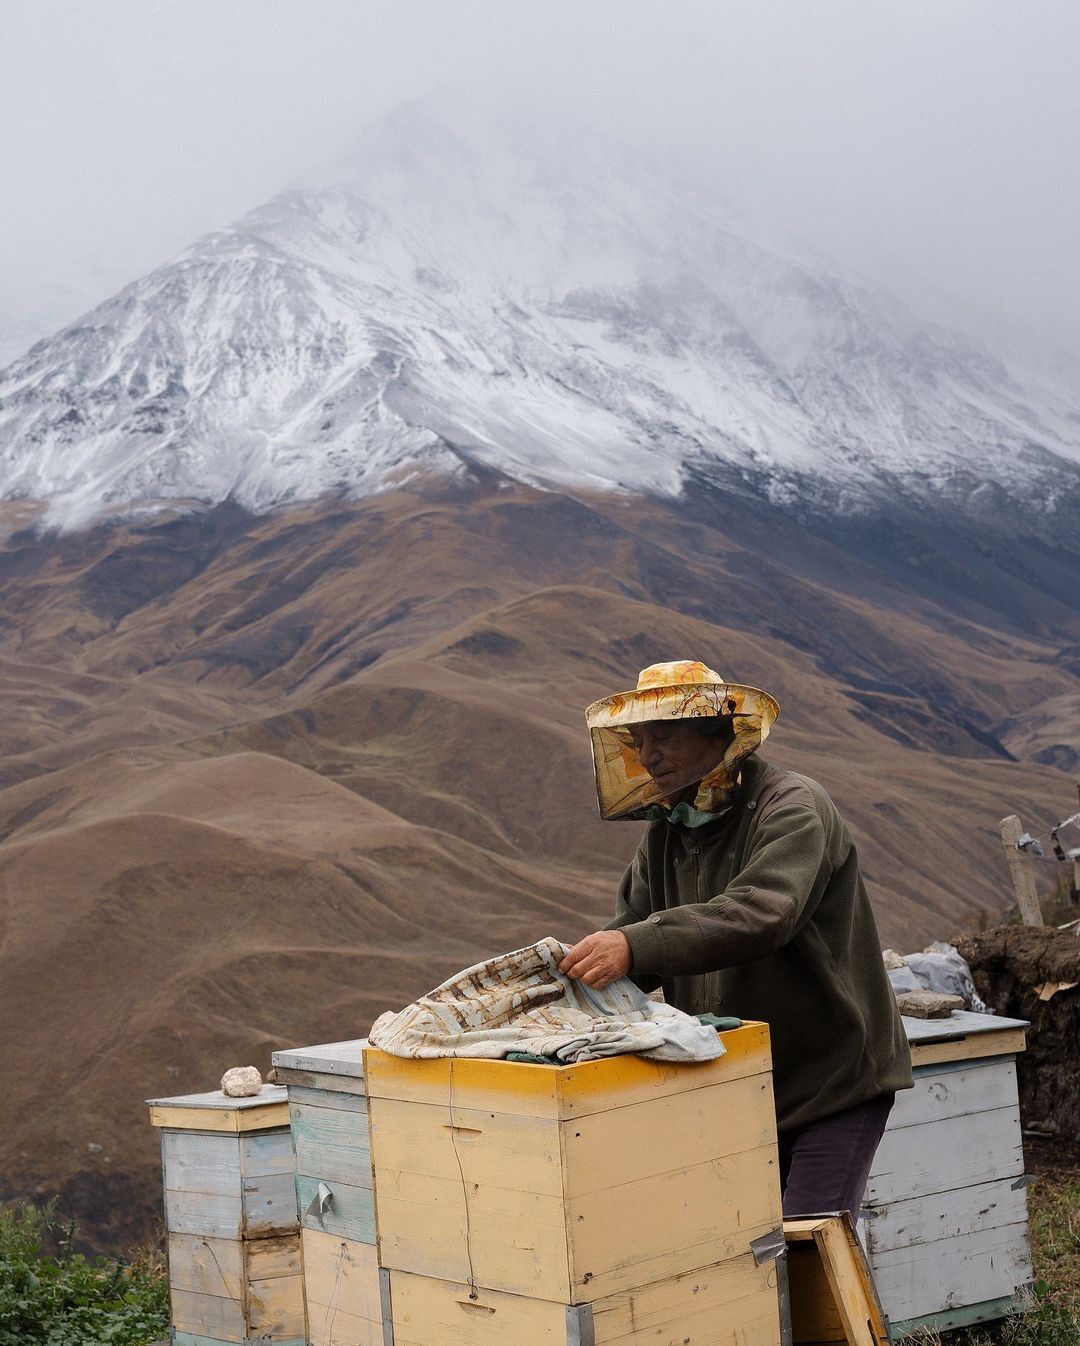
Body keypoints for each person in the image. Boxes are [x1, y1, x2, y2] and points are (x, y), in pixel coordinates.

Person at [559, 659, 912, 1219]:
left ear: (720, 734)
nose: (647, 756)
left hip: (831, 1078)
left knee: (810, 1249)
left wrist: (633, 945)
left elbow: (763, 913)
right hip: (738, 1080)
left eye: (666, 736)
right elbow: (633, 938)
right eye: (640, 740)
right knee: (746, 1256)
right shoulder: (667, 832)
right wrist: (562, 977)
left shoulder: (793, 807)